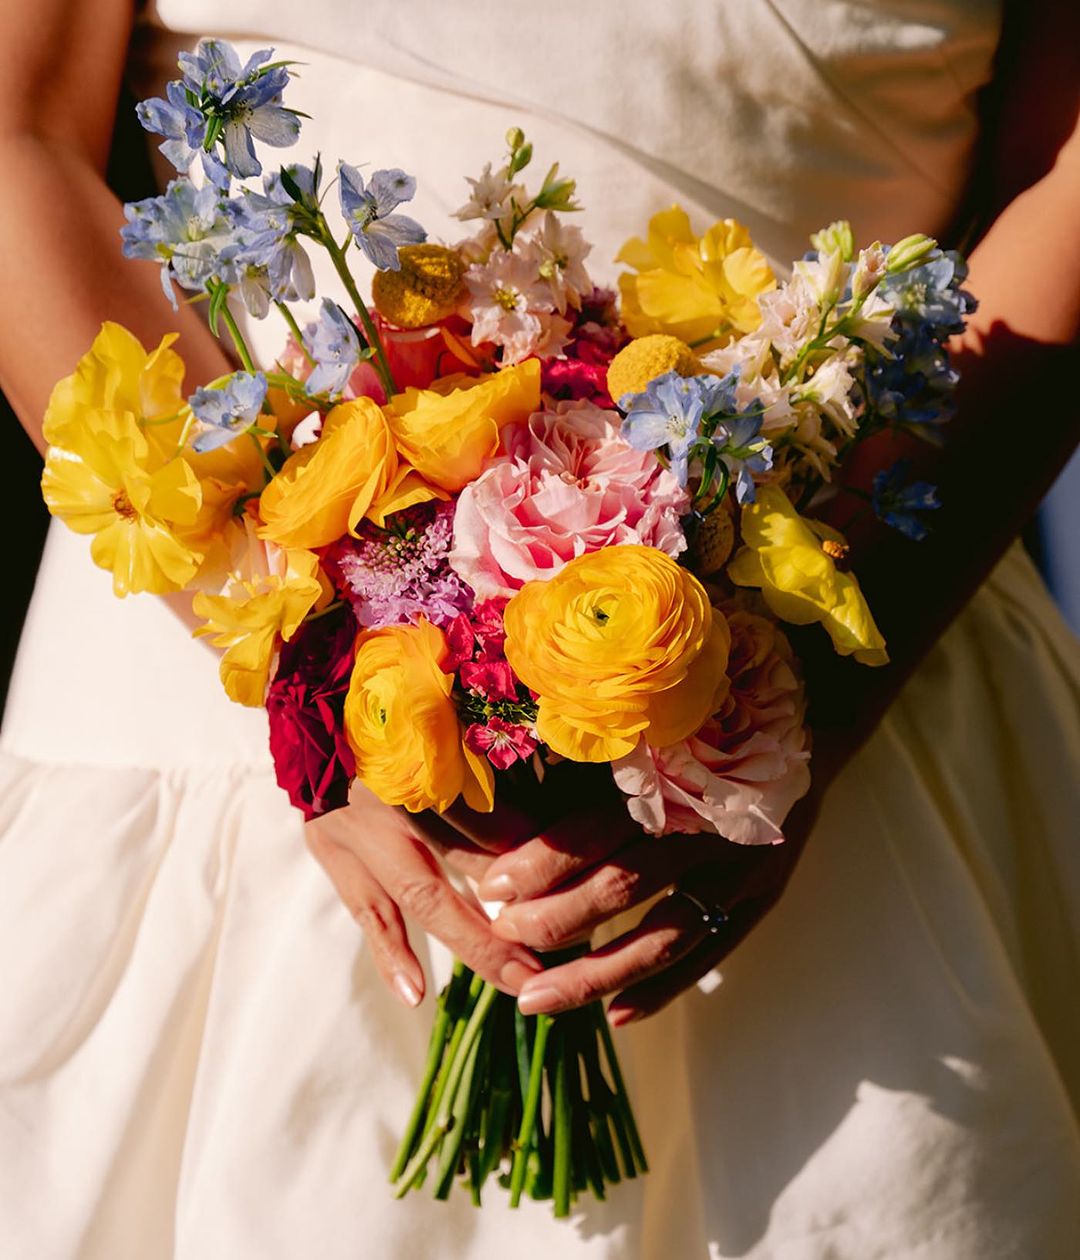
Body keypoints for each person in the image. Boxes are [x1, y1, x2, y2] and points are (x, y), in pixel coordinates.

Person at [1, 1, 1078, 1256]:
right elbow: (20, 131)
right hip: (216, 668)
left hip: (859, 598)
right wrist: (311, 664)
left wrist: (784, 702)